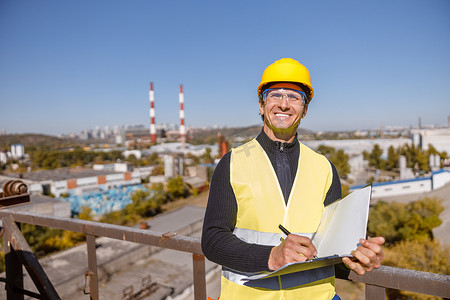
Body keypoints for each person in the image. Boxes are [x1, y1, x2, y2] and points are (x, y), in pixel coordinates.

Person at [201, 58, 385, 299]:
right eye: (275, 95)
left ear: (304, 110)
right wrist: (271, 256)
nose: (284, 104)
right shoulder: (233, 163)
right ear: (261, 105)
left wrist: (358, 254)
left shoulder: (325, 168)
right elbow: (213, 240)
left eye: (294, 97)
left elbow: (331, 246)